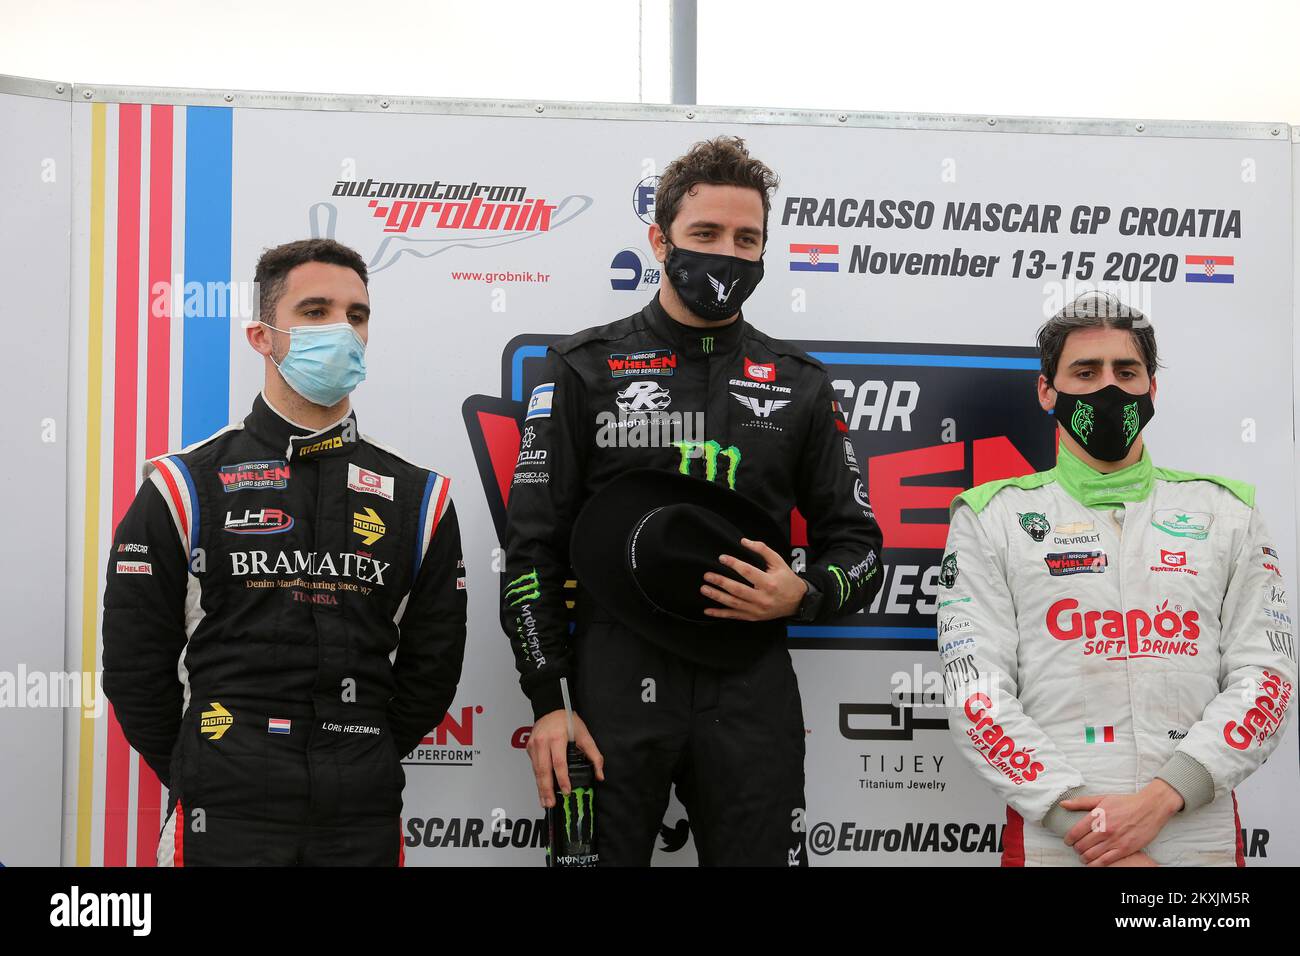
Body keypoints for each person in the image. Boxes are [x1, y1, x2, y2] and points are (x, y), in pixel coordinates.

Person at [501, 136, 884, 866]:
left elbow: (859, 544)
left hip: (750, 683)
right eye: (704, 234)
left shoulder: (800, 381)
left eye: (747, 239)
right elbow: (531, 552)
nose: (726, 255)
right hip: (610, 680)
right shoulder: (583, 368)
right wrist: (548, 701)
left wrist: (802, 594)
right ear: (659, 238)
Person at [102, 238, 467, 866]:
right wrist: (212, 767)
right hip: (223, 817)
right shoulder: (184, 485)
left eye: (356, 315)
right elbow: (135, 671)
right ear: (261, 337)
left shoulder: (418, 496)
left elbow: (431, 672)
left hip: (361, 818)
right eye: (315, 311)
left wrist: (359, 755)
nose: (341, 330)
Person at [939, 290, 1295, 866]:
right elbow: (976, 694)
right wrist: (1098, 834)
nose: (1108, 387)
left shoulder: (1228, 513)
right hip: (1056, 839)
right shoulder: (990, 519)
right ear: (1046, 391)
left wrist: (1164, 796)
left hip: (1196, 836)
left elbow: (1267, 679)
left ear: (1152, 389)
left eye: (1126, 371)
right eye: (1085, 371)